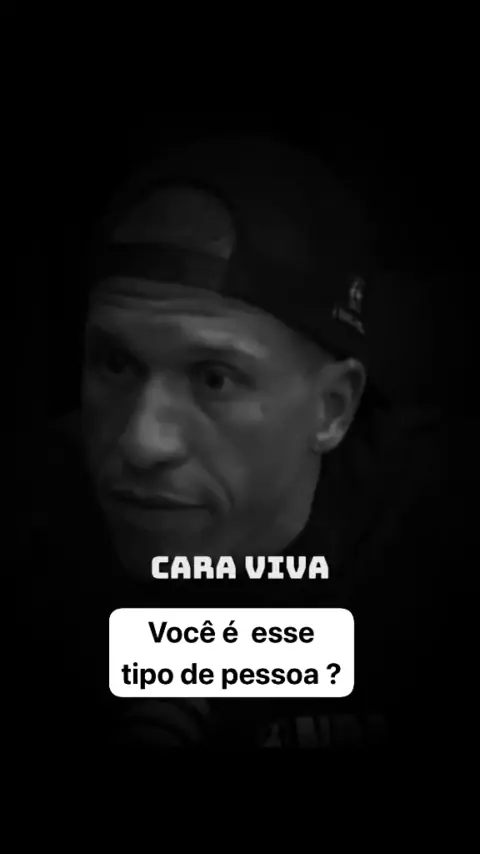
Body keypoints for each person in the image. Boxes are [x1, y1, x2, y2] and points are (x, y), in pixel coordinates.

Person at [23, 133, 455, 754]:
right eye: (116, 365)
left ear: (332, 410)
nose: (141, 443)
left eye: (214, 379)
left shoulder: (441, 531)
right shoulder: (29, 516)